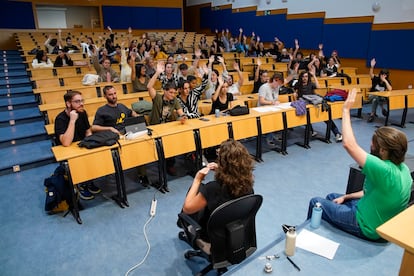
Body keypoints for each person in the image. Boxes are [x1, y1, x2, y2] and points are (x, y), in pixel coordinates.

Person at [307, 88, 412, 241]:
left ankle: (308, 237)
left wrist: (345, 110)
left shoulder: (384, 170)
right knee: (332, 197)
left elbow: (349, 144)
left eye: (373, 144)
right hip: (374, 214)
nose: (370, 145)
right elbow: (371, 192)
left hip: (367, 225)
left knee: (316, 202)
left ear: (382, 150)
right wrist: (347, 196)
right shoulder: (403, 169)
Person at [178, 139, 255, 240]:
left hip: (213, 235)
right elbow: (234, 177)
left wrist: (197, 180)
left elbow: (187, 209)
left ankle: (184, 225)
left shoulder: (213, 188)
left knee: (198, 188)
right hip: (235, 230)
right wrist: (222, 170)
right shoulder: (248, 184)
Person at [91, 85, 149, 186]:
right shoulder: (102, 110)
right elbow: (94, 127)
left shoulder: (121, 106)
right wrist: (109, 128)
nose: (113, 96)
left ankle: (142, 175)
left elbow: (131, 112)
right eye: (110, 95)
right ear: (105, 96)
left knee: (141, 146)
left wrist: (136, 116)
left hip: (128, 133)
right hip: (114, 138)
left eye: (114, 93)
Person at [54, 91, 100, 200]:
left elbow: (88, 131)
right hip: (68, 151)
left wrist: (89, 143)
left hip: (81, 146)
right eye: (77, 101)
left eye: (82, 101)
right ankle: (80, 184)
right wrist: (72, 120)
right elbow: (65, 143)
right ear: (68, 104)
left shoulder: (83, 113)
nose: (81, 104)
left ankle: (89, 180)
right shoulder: (60, 119)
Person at [147, 61, 187, 186]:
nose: (173, 95)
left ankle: (170, 165)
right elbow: (149, 87)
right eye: (171, 92)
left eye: (175, 93)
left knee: (172, 142)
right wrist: (158, 72)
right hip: (154, 128)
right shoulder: (158, 98)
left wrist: (182, 117)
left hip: (166, 128)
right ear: (164, 91)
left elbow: (181, 113)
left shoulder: (174, 100)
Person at [294, 70, 342, 142]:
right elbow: (295, 93)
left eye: (306, 76)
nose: (304, 78)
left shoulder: (311, 84)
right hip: (305, 105)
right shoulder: (298, 84)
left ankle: (337, 134)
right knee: (306, 118)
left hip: (314, 103)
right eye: (303, 77)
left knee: (327, 118)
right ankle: (311, 132)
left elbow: (318, 86)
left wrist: (314, 75)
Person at [367, 58, 392, 123]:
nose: (383, 76)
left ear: (386, 76)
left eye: (384, 75)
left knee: (376, 99)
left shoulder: (386, 81)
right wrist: (372, 66)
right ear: (380, 74)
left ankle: (372, 115)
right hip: (371, 95)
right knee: (376, 97)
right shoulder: (376, 79)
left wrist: (385, 81)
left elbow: (390, 89)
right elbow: (371, 74)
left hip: (380, 97)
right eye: (382, 74)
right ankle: (383, 109)